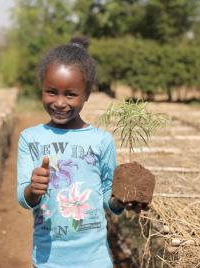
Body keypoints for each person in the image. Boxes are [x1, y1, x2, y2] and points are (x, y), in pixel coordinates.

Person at [17, 36, 140, 268]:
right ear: (41, 89)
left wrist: (121, 200)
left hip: (95, 260)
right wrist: (33, 189)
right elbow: (23, 199)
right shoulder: (30, 138)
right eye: (51, 92)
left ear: (87, 95)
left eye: (70, 94)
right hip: (48, 261)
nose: (60, 103)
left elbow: (108, 198)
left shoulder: (101, 141)